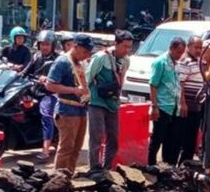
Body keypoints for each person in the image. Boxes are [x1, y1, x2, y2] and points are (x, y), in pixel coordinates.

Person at [85, 29, 133, 173]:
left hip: (113, 103)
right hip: (97, 102)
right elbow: (88, 78)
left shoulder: (126, 60)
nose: (127, 50)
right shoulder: (100, 57)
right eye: (124, 46)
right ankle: (94, 168)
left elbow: (121, 79)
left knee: (114, 137)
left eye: (130, 47)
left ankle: (107, 168)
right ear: (116, 44)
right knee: (97, 135)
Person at [45, 34, 93, 174]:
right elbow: (50, 85)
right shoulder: (62, 61)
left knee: (76, 148)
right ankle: (57, 179)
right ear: (75, 47)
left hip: (81, 109)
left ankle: (68, 176)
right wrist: (73, 90)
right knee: (66, 148)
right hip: (67, 109)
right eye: (85, 52)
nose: (86, 55)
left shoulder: (81, 63)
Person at [148, 37, 187, 165]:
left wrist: (181, 103)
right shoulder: (160, 63)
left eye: (182, 53)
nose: (180, 55)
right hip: (162, 106)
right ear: (171, 49)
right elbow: (153, 84)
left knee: (171, 139)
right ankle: (151, 166)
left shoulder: (176, 64)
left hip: (173, 108)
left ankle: (167, 167)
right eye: (178, 52)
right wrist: (154, 106)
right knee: (157, 139)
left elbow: (178, 85)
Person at [26, 30, 60, 161]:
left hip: (49, 93)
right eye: (42, 44)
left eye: (47, 44)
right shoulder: (36, 57)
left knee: (46, 115)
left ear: (52, 45)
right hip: (34, 90)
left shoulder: (57, 60)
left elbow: (59, 78)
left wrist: (47, 79)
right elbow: (26, 71)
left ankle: (45, 150)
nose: (44, 47)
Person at [173, 35, 205, 164]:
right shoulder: (185, 62)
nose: (198, 50)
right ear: (189, 46)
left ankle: (186, 166)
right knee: (182, 139)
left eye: (200, 47)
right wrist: (183, 103)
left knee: (191, 141)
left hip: (196, 108)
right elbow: (180, 84)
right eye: (196, 47)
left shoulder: (199, 62)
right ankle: (177, 166)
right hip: (187, 108)